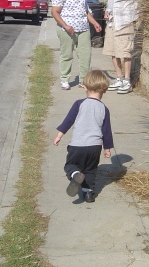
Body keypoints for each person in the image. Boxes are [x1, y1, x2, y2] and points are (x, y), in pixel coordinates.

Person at [53, 70, 113, 203]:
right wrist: (107, 148)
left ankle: (75, 175)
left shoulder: (79, 104)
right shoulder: (104, 109)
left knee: (71, 165)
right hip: (95, 147)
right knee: (90, 170)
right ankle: (88, 194)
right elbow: (106, 131)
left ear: (84, 87)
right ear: (104, 90)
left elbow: (68, 121)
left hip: (77, 145)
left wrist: (59, 135)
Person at [51, 0, 103, 90]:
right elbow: (54, 12)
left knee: (85, 55)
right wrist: (66, 26)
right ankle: (64, 79)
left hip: (83, 29)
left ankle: (83, 80)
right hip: (67, 30)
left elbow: (86, 11)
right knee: (67, 54)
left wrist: (95, 23)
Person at [102, 0, 142, 94]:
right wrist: (107, 11)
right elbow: (110, 1)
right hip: (112, 21)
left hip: (125, 21)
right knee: (113, 51)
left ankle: (127, 80)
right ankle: (119, 78)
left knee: (125, 52)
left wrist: (135, 10)